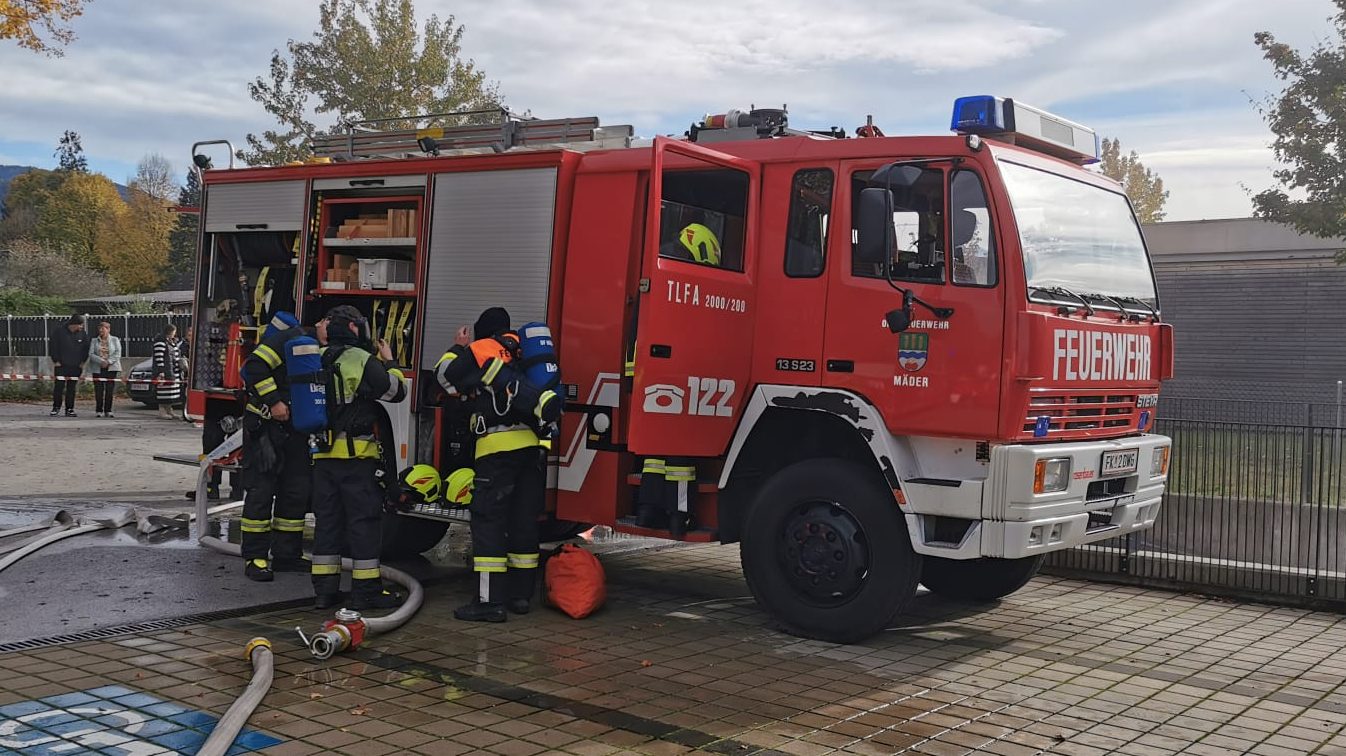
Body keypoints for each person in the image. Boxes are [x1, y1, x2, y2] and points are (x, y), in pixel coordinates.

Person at [434, 307, 559, 622]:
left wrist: (458, 347)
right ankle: (520, 597)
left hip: (496, 451)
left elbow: (445, 378)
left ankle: (489, 603)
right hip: (532, 450)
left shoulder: (481, 349)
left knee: (488, 524)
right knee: (523, 524)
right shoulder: (527, 352)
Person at [309, 305, 408, 610]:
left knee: (327, 524)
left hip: (322, 458)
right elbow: (396, 391)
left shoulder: (318, 357)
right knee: (363, 524)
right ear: (355, 329)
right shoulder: (360, 359)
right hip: (356, 459)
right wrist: (390, 361)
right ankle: (366, 592)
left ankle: (325, 592)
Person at [237, 311, 311, 582]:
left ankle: (287, 555)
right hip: (265, 430)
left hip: (294, 431)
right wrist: (274, 401)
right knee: (261, 492)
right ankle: (255, 557)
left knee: (295, 491)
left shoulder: (312, 347)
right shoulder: (286, 341)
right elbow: (253, 368)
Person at [48, 314, 90, 417]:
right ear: (74, 324)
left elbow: (86, 348)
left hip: (75, 366)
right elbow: (53, 346)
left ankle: (70, 409)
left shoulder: (82, 334)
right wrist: (55, 360)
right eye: (80, 325)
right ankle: (56, 407)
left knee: (71, 388)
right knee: (59, 387)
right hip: (61, 365)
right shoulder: (59, 332)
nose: (81, 327)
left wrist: (82, 362)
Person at [88, 320, 122, 418]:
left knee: (109, 390)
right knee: (98, 390)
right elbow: (91, 354)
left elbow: (117, 353)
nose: (101, 331)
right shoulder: (94, 341)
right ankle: (99, 410)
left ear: (108, 329)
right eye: (99, 329)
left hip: (111, 368)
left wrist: (108, 362)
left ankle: (108, 410)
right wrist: (101, 361)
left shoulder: (115, 340)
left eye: (103, 329)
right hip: (98, 368)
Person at [151, 324, 183, 419]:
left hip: (172, 371)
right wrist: (161, 371)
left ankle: (169, 411)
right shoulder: (160, 342)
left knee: (170, 393)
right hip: (165, 371)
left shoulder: (171, 342)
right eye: (174, 332)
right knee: (163, 392)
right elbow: (159, 358)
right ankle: (162, 412)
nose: (175, 334)